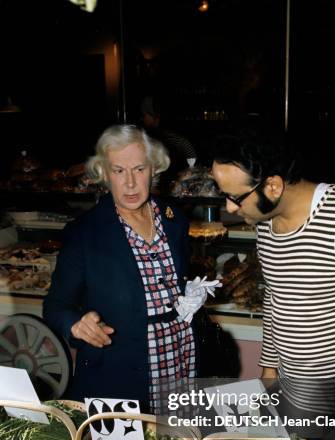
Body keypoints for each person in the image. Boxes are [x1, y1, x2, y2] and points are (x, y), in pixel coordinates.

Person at [211, 131, 335, 440]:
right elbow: (276, 299)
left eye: (235, 197)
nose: (229, 209)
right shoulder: (266, 224)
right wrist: (270, 366)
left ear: (272, 186)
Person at [43, 125, 216, 410]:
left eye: (139, 169)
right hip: (119, 373)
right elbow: (55, 305)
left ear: (154, 169)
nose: (131, 183)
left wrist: (192, 294)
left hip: (180, 359)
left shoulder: (174, 220)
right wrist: (75, 324)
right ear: (104, 174)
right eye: (119, 171)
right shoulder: (84, 233)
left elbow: (174, 282)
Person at [140, 96, 197, 173]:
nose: (143, 119)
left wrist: (189, 172)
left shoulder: (168, 138)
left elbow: (190, 154)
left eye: (145, 115)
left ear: (154, 115)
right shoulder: (151, 136)